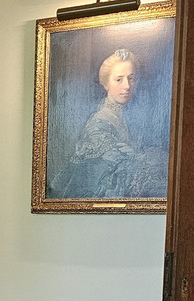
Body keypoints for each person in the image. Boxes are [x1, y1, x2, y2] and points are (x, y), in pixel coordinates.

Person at [51, 48, 168, 200]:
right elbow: (117, 175)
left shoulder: (130, 117)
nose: (127, 86)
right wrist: (138, 157)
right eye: (119, 79)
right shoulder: (98, 125)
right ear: (106, 83)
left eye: (131, 78)